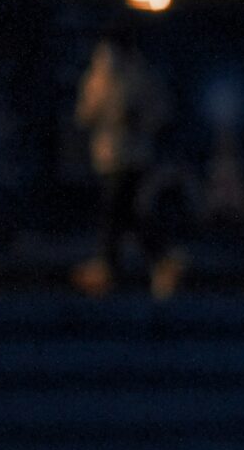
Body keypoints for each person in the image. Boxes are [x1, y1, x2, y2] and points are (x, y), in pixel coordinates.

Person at [72, 24, 176, 296]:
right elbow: (84, 115)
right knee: (123, 212)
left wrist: (138, 119)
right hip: (109, 153)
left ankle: (110, 266)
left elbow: (159, 112)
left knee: (115, 210)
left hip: (132, 154)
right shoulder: (100, 76)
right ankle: (160, 259)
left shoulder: (137, 76)